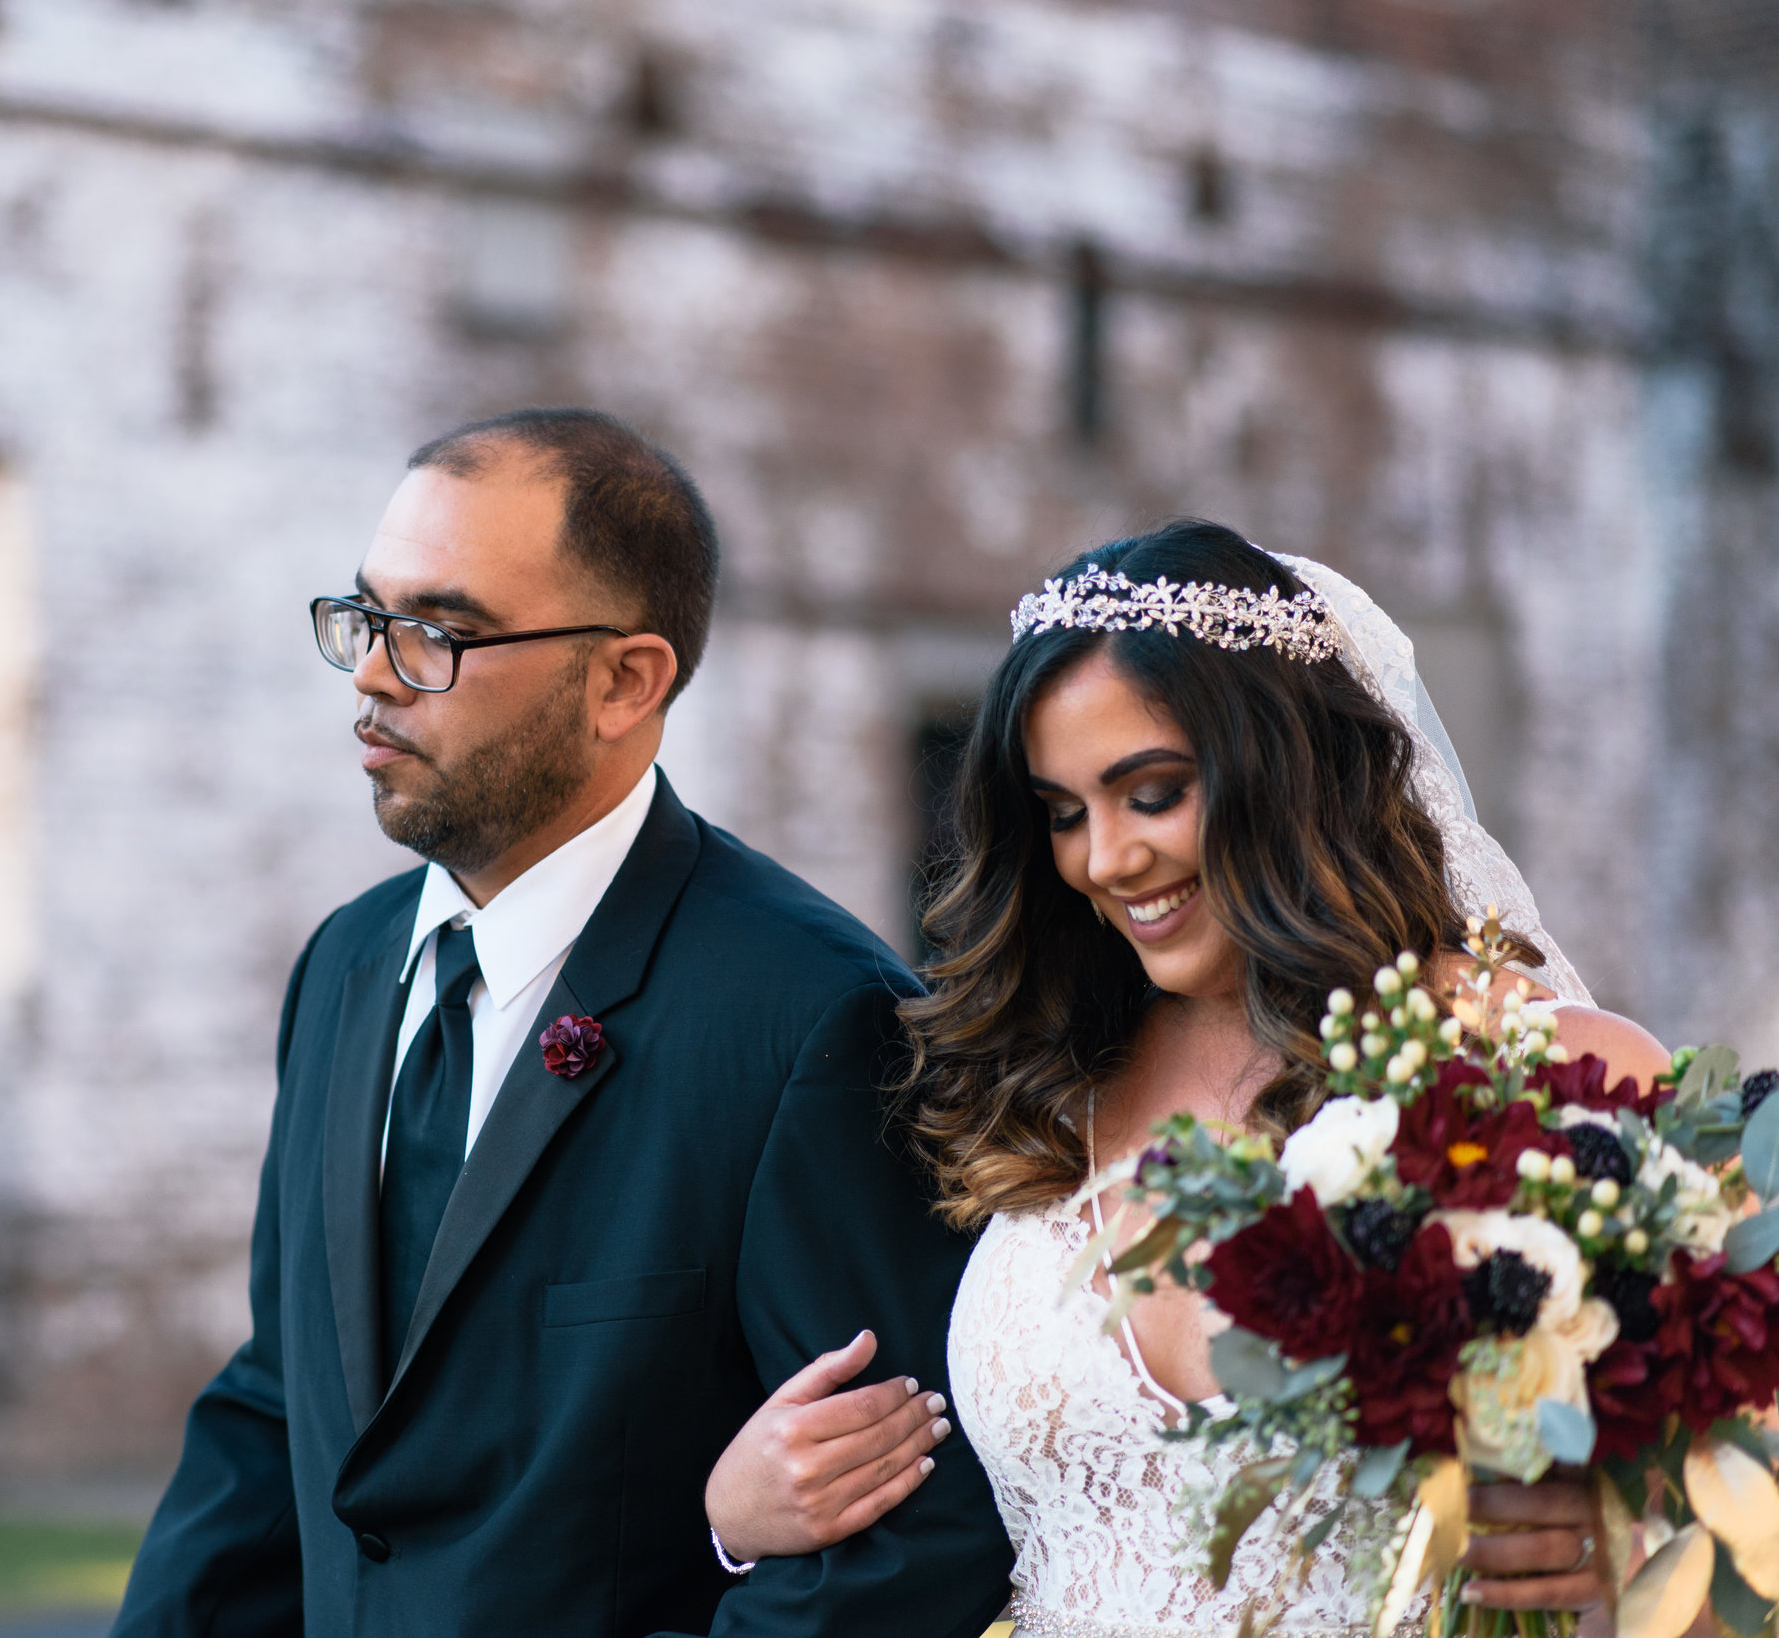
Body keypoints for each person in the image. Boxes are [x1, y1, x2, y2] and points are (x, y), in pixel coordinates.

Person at [112, 407, 1014, 1638]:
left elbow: (901, 1543)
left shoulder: (814, 1019)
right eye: (368, 616)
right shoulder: (343, 965)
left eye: (440, 631)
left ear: (625, 680)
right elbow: (281, 1411)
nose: (376, 672)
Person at [703, 521, 1669, 1636]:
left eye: (1151, 792)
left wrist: (1617, 1566)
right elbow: (928, 1491)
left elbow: (1727, 1546)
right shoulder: (1036, 1085)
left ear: (1286, 763)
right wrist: (736, 1512)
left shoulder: (1548, 1076)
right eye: (1063, 813)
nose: (1104, 859)